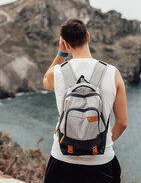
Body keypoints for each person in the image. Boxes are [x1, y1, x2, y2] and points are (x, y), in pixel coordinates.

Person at [43, 18, 128, 183]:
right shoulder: (112, 73)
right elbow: (122, 123)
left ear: (65, 44)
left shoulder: (58, 72)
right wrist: (100, 142)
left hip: (62, 159)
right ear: (88, 37)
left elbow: (45, 81)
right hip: (101, 162)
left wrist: (61, 54)